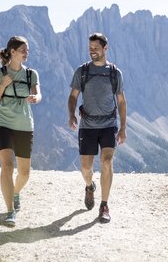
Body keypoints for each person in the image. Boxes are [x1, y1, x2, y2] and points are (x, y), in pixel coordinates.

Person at [67, 32, 127, 223]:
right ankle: (89, 186)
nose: (92, 51)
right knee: (86, 167)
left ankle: (104, 205)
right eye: (90, 48)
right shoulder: (82, 71)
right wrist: (71, 114)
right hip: (87, 125)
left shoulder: (114, 73)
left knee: (107, 161)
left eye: (96, 48)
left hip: (109, 124)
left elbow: (121, 101)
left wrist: (123, 127)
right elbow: (73, 96)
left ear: (105, 49)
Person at [0, 36, 41, 227]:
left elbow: (38, 93)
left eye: (27, 50)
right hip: (3, 124)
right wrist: (3, 85)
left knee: (25, 173)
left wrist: (36, 97)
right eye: (23, 50)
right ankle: (10, 211)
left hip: (25, 126)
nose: (27, 53)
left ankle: (16, 192)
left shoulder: (31, 74)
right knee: (7, 167)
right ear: (12, 52)